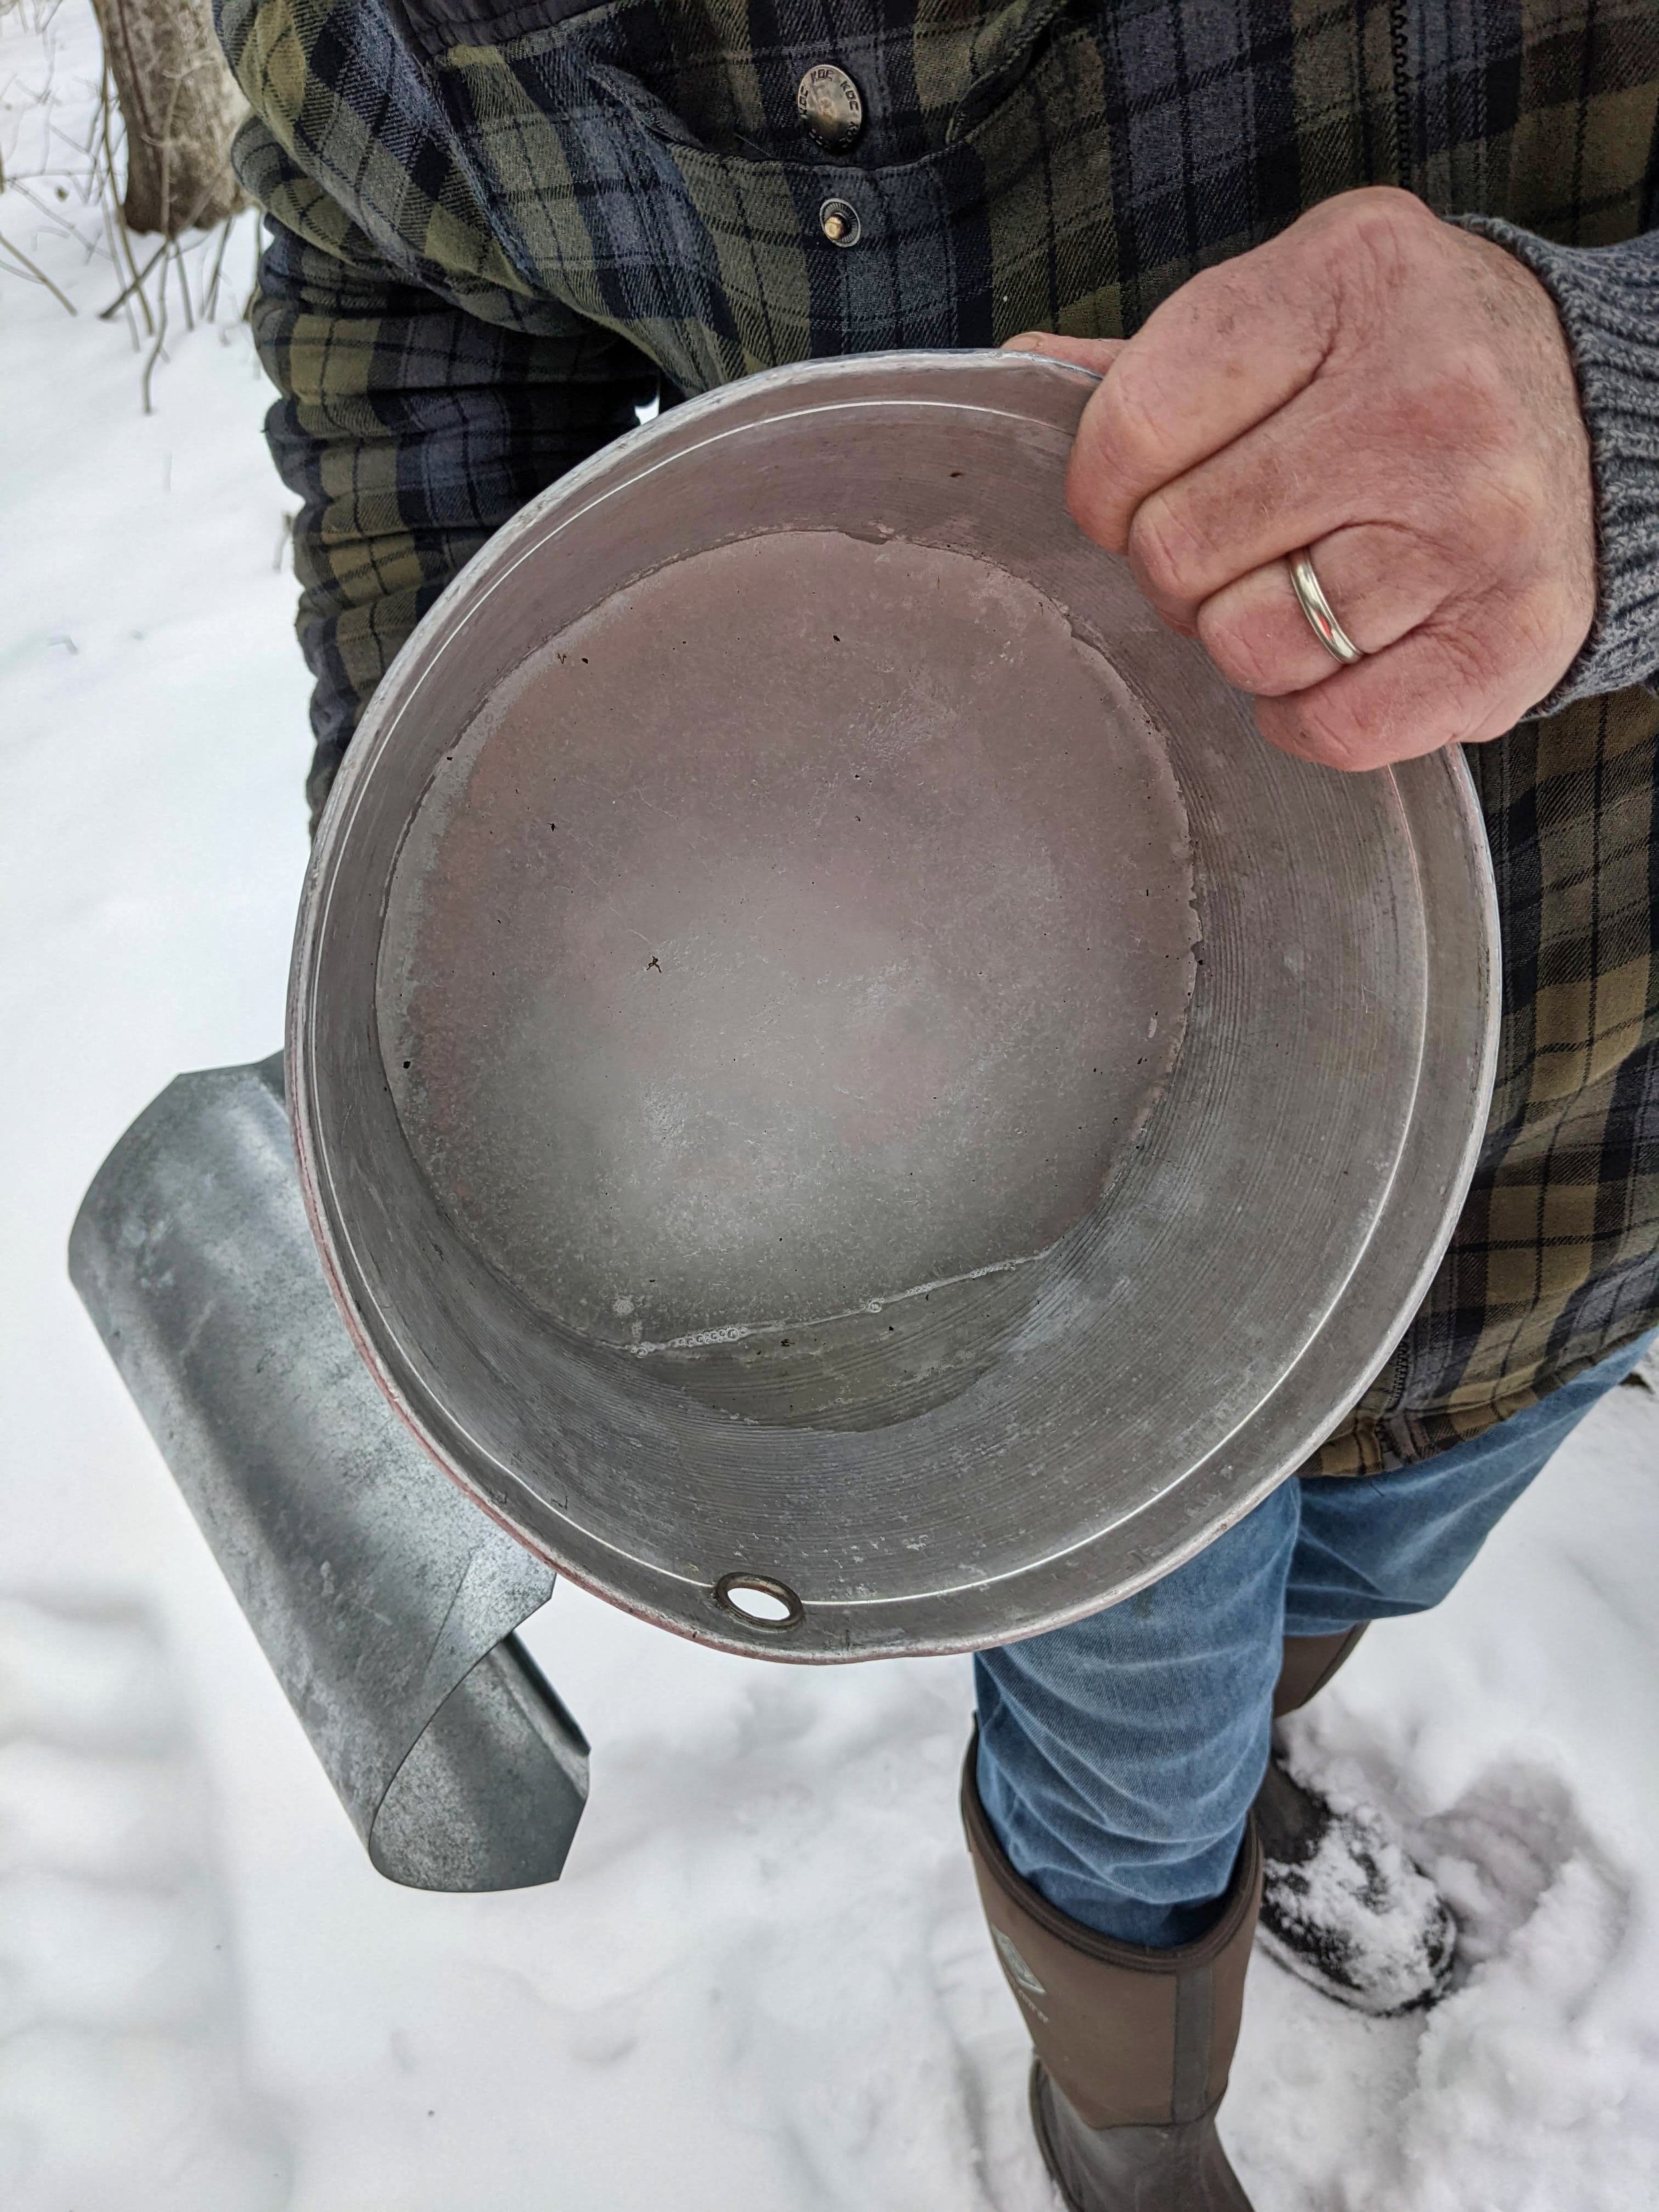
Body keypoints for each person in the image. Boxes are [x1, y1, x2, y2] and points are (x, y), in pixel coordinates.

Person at [214, 0, 1659, 2200]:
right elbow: (393, 292)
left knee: (1370, 1558)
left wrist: (1620, 419)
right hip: (1013, 1343)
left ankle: (1252, 1748)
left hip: (1581, 1120)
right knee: (1121, 1760)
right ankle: (1125, 2108)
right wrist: (473, 884)